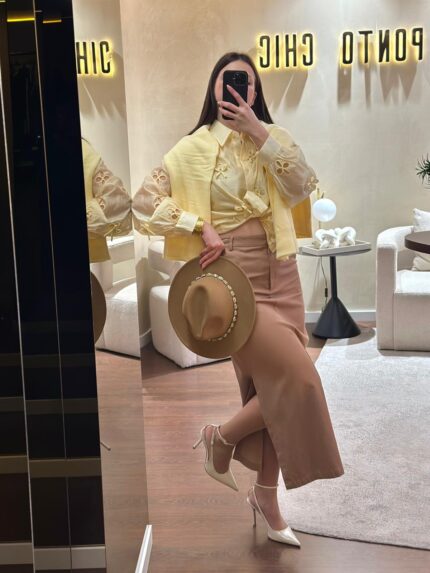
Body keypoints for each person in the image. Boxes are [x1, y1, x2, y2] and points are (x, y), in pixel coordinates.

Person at [132, 52, 344, 546]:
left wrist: (258, 132)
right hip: (233, 278)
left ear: (255, 92)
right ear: (214, 89)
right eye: (229, 82)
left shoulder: (275, 137)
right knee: (299, 379)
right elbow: (144, 204)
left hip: (283, 271)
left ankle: (263, 494)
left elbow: (301, 185)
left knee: (268, 389)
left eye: (246, 83)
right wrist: (197, 225)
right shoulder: (192, 148)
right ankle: (222, 437)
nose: (238, 90)